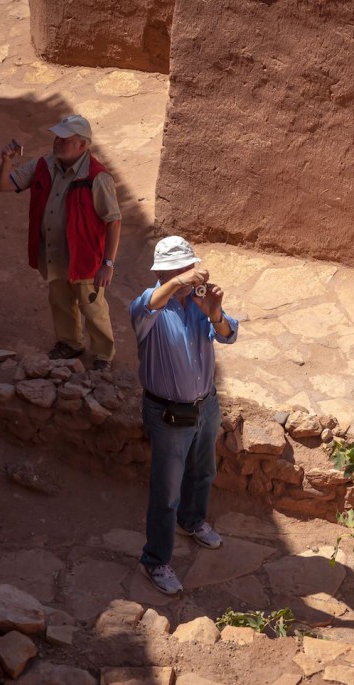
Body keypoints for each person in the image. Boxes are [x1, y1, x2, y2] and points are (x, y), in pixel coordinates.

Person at [130, 236, 239, 595]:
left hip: (205, 405)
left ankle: (192, 522)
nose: (192, 275)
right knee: (166, 492)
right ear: (165, 272)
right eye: (183, 269)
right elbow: (148, 304)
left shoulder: (197, 304)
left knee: (203, 471)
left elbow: (227, 335)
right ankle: (156, 561)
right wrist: (180, 281)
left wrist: (215, 312)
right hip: (167, 413)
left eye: (191, 267)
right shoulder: (149, 309)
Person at [0, 114, 121, 370]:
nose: (57, 142)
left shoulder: (98, 178)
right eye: (57, 137)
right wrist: (6, 163)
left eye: (65, 139)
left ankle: (103, 355)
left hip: (85, 259)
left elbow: (114, 221)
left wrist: (108, 263)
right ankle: (70, 343)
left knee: (93, 307)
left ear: (82, 146)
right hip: (53, 254)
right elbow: (4, 186)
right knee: (61, 302)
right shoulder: (44, 164)